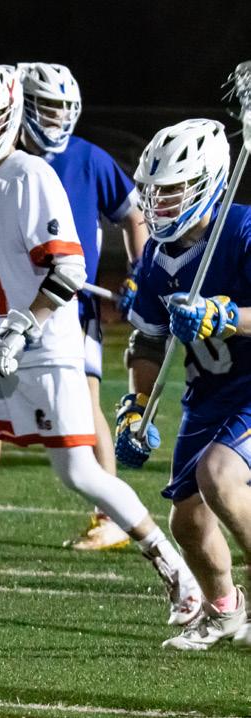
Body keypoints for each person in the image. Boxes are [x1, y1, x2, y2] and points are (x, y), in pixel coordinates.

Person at [0, 65, 199, 626]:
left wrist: (21, 326)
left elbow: (69, 269)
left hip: (45, 347)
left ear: (8, 117)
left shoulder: (29, 175)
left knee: (79, 473)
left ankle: (179, 575)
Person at [0, 62, 150, 551]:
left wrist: (138, 273)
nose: (56, 118)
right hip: (9, 305)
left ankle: (114, 519)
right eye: (47, 107)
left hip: (67, 305)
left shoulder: (86, 159)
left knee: (85, 407)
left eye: (63, 108)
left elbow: (131, 215)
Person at [116, 118, 251, 649]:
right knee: (187, 522)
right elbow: (148, 342)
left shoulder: (242, 230)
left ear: (209, 183)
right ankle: (225, 611)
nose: (159, 204)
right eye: (153, 192)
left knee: (219, 476)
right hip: (208, 393)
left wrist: (225, 316)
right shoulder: (155, 255)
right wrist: (136, 404)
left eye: (173, 191)